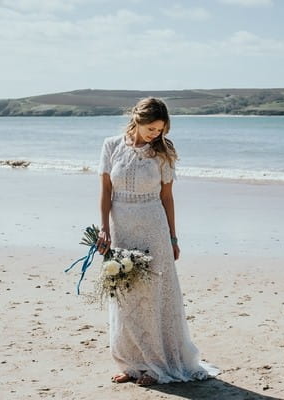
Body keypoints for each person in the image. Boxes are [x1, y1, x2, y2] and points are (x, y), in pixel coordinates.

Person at [95, 97, 219, 386]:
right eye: (152, 129)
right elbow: (104, 191)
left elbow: (167, 197)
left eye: (160, 130)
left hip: (153, 228)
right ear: (137, 120)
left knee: (152, 298)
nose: (156, 135)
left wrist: (173, 237)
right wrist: (104, 229)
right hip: (121, 227)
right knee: (124, 295)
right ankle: (131, 364)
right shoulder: (111, 145)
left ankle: (156, 365)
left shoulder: (163, 151)